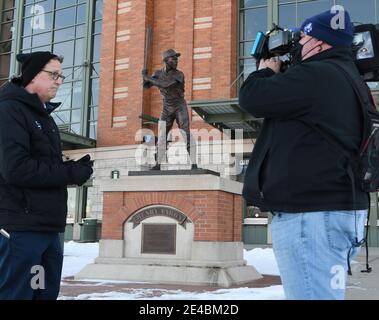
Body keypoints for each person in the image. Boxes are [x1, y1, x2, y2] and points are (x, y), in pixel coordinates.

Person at [239, 9, 369, 300]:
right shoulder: (345, 77)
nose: (297, 44)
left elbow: (252, 97)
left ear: (320, 44)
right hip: (333, 211)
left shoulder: (316, 74)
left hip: (311, 217)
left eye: (303, 38)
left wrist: (265, 71)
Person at [0, 51, 93, 300]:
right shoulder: (10, 111)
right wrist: (69, 173)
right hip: (22, 231)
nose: (59, 80)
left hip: (48, 230)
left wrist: (72, 168)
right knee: (19, 294)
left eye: (60, 75)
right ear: (32, 76)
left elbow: (42, 165)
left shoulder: (43, 117)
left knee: (43, 294)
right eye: (53, 74)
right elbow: (16, 169)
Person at [142, 49, 197, 170]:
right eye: (173, 58)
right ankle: (158, 164)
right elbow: (146, 86)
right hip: (166, 107)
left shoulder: (179, 74)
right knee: (162, 136)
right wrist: (144, 77)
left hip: (179, 106)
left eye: (177, 58)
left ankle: (194, 163)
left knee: (185, 133)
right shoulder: (158, 73)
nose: (176, 61)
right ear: (166, 61)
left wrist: (148, 78)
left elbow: (165, 84)